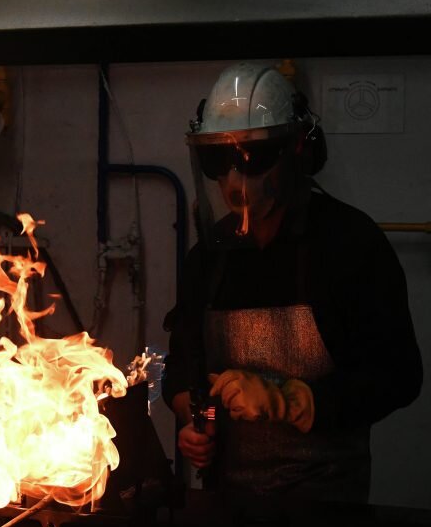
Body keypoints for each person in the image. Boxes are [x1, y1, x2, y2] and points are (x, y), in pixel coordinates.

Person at [162, 62, 422, 504]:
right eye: (218, 160)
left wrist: (291, 401)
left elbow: (399, 375)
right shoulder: (209, 256)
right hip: (229, 502)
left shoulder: (349, 244)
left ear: (296, 149)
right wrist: (194, 421)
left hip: (325, 502)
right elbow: (183, 365)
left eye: (253, 157)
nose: (234, 180)